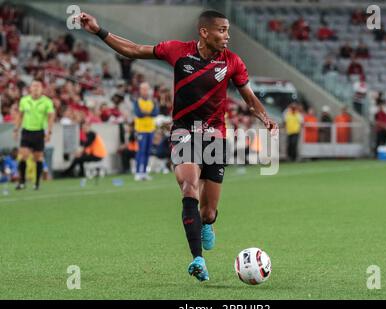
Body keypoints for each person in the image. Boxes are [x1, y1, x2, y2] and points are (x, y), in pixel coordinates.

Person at [77, 10, 277, 282]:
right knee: (189, 187)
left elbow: (249, 97)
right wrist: (99, 31)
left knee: (208, 210)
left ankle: (207, 223)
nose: (227, 35)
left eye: (228, 30)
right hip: (184, 132)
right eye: (221, 30)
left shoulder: (232, 62)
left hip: (215, 136)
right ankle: (198, 260)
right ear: (204, 32)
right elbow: (135, 50)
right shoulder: (177, 51)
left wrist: (265, 118)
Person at [13, 79, 55, 191]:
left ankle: (37, 183)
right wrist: (16, 130)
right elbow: (20, 115)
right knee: (23, 156)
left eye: (38, 86)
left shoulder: (47, 102)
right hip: (26, 131)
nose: (35, 88)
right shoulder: (24, 100)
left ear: (41, 89)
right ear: (30, 88)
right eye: (33, 86)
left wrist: (49, 132)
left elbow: (51, 117)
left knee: (38, 158)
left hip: (39, 132)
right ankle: (22, 182)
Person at [133, 82, 159, 181]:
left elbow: (155, 113)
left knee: (148, 151)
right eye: (143, 89)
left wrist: (146, 113)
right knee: (141, 151)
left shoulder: (152, 101)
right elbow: (138, 113)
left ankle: (144, 172)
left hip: (150, 129)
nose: (145, 91)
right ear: (140, 90)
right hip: (141, 130)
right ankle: (138, 172)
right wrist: (149, 113)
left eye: (146, 89)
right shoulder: (137, 101)